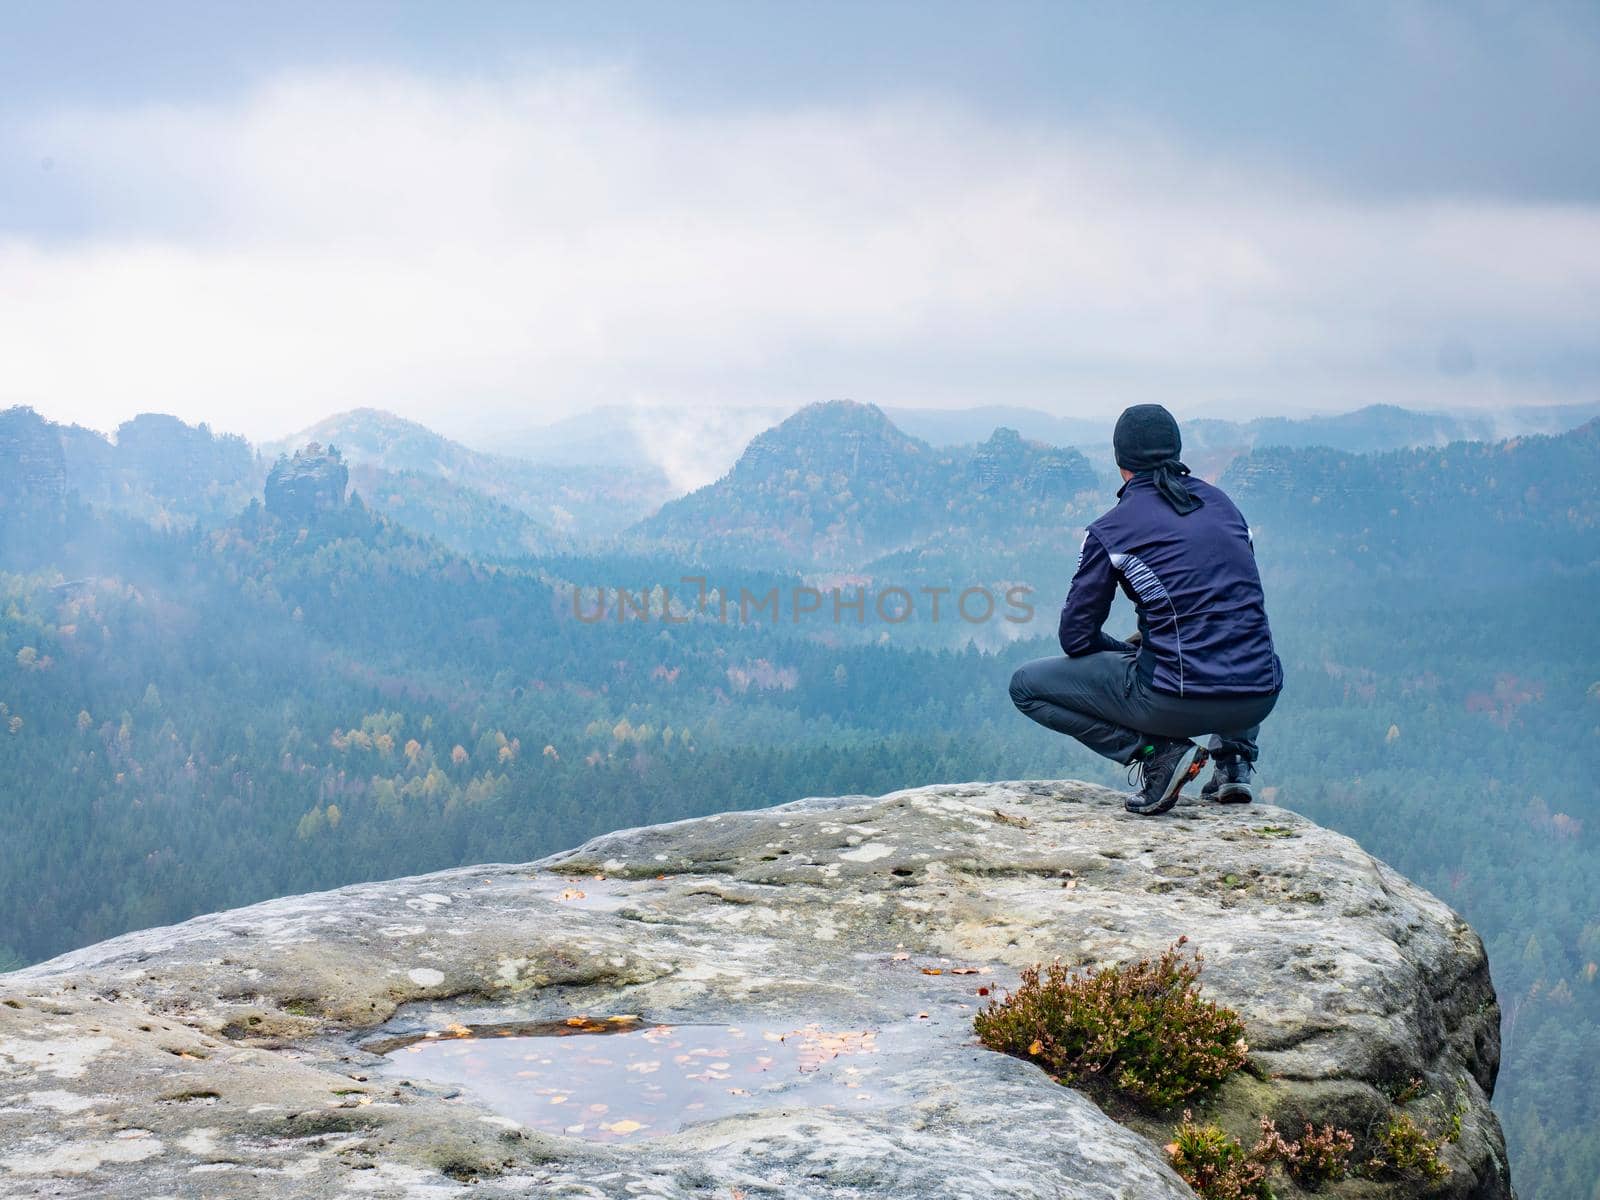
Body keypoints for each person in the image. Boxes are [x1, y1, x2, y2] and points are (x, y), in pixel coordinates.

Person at [1009, 404, 1282, 815]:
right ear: (1176, 450)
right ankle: (1234, 762)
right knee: (1234, 631)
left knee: (1025, 686)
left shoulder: (1113, 529)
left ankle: (1158, 754)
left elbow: (1076, 638)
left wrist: (1128, 651)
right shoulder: (1226, 507)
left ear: (1121, 463)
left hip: (1174, 701)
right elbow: (1225, 602)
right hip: (1260, 694)